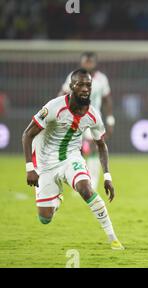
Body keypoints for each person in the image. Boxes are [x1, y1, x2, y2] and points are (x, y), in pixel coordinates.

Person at [23, 69, 124, 250]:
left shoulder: (93, 115)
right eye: (80, 85)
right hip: (45, 164)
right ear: (71, 87)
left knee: (86, 189)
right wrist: (30, 168)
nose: (85, 89)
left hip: (71, 158)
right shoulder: (54, 107)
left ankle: (113, 239)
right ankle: (57, 197)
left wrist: (108, 177)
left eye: (88, 85)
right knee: (45, 218)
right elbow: (27, 135)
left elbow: (101, 145)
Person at [59, 52, 114, 191]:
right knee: (75, 150)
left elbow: (107, 99)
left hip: (93, 119)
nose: (88, 64)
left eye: (90, 62)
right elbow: (63, 93)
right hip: (75, 118)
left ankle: (92, 182)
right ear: (81, 63)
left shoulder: (102, 79)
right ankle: (79, 181)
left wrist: (110, 119)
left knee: (94, 147)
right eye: (85, 62)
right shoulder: (74, 76)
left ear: (95, 63)